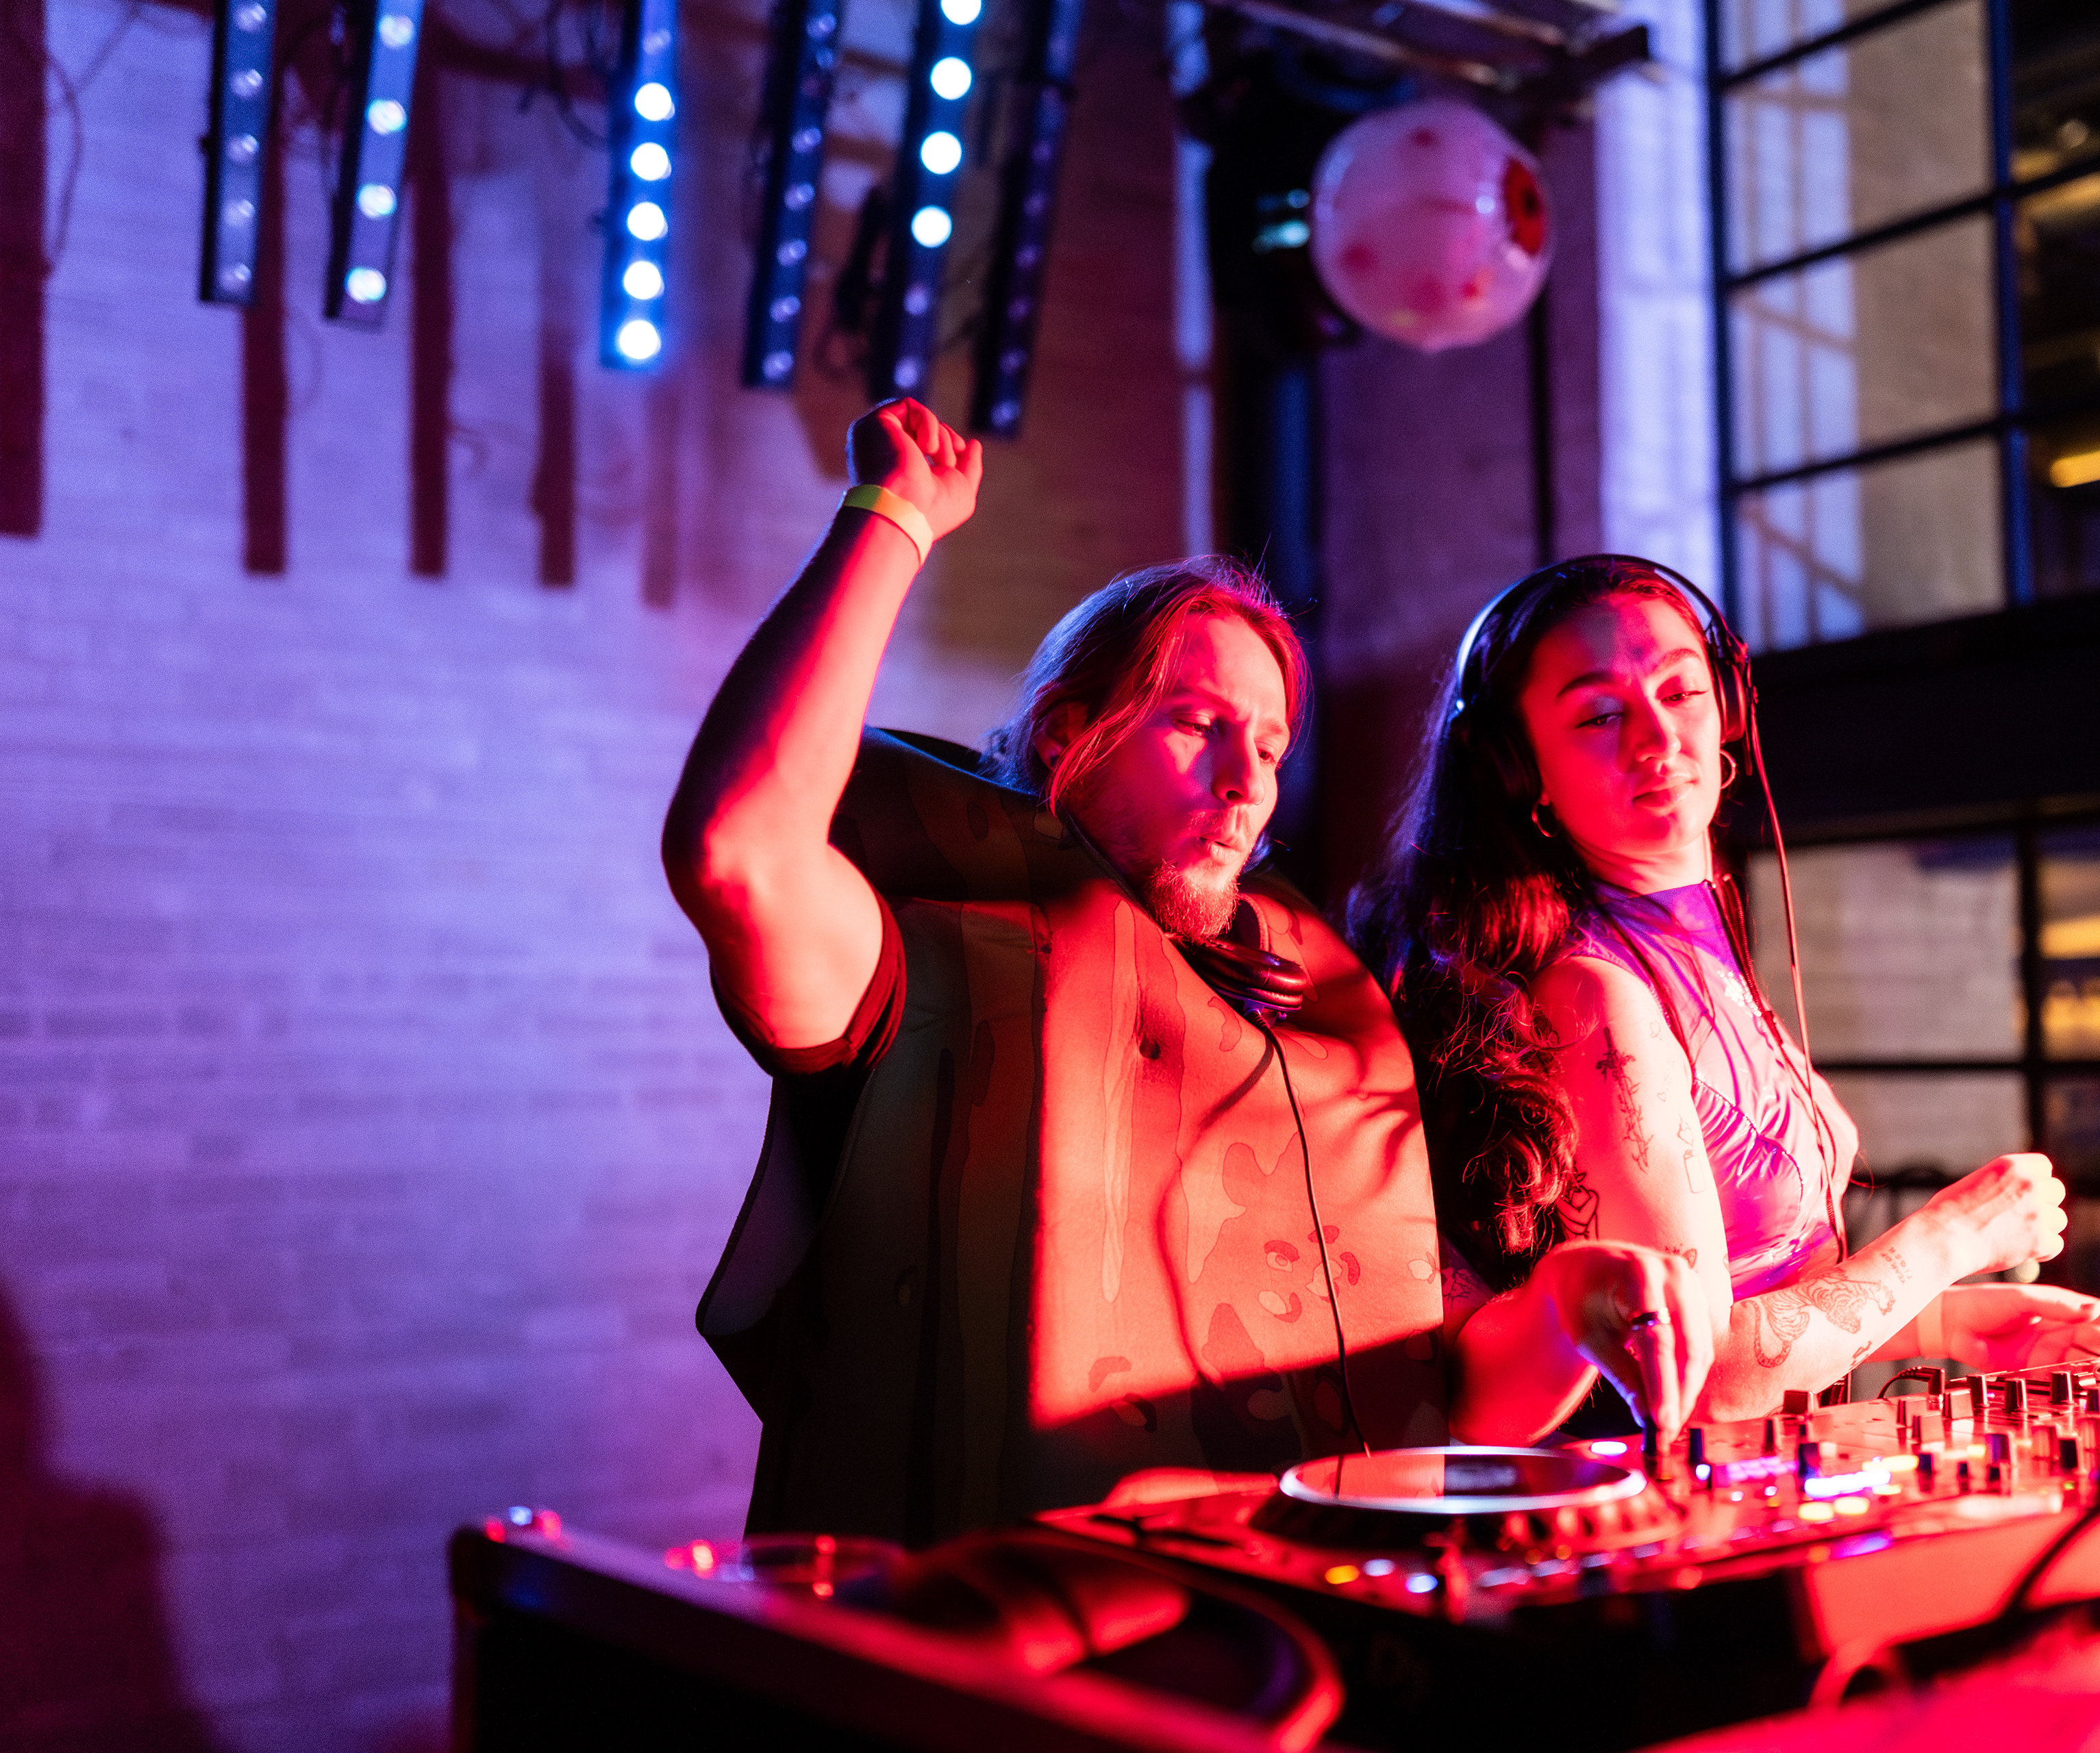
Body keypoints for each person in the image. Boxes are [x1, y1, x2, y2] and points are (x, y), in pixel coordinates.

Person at [662, 403, 1699, 1541]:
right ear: (1066, 737)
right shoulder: (930, 949)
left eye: (1269, 747)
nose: (1245, 784)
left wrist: (1570, 1306)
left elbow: (1436, 1401)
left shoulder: (1316, 1020)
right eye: (1198, 725)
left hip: (1288, 1622)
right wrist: (890, 518)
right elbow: (738, 850)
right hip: (1003, 1624)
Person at [1353, 555, 2100, 1441]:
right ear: (1516, 766)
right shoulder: (1593, 996)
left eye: (1681, 692)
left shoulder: (1691, 949)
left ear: (1728, 708)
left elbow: (1759, 1289)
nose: (1657, 738)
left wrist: (1949, 1324)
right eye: (1600, 714)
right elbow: (1698, 1375)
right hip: (1676, 1508)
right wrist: (1951, 1239)